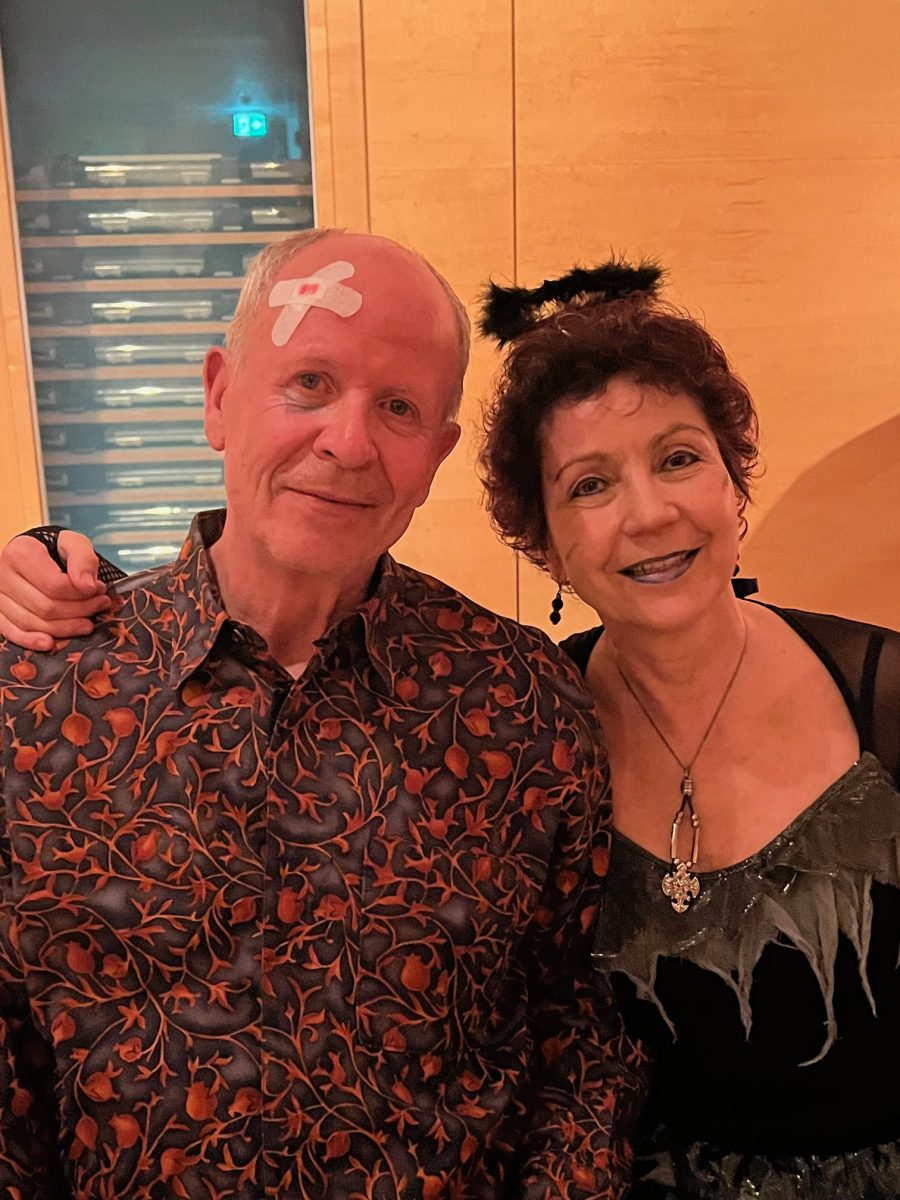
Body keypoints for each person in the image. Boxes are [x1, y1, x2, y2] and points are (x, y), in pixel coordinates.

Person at [0, 231, 647, 1199]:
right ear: (219, 397)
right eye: (309, 383)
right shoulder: (41, 690)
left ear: (435, 457)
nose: (348, 443)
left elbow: (577, 1035)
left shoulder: (522, 704)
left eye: (398, 407)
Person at [474, 259, 900, 1198]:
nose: (652, 512)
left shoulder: (885, 692)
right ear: (544, 543)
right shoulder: (527, 727)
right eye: (591, 484)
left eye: (678, 459)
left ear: (733, 484)